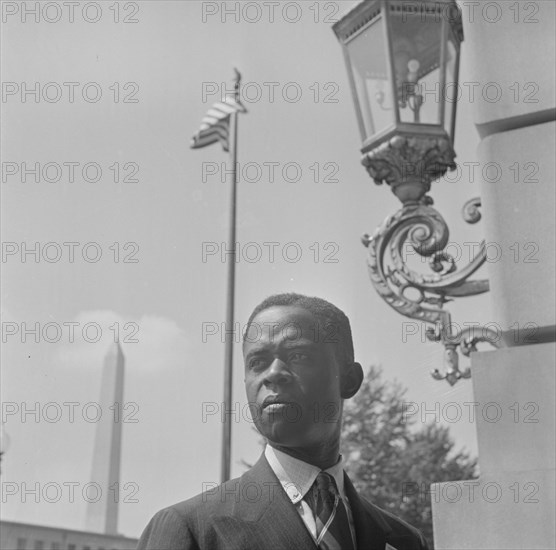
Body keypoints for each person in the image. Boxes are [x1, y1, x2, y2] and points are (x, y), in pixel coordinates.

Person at [136, 293, 429, 550]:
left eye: (298, 355)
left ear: (350, 380)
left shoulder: (404, 540)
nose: (273, 373)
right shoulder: (192, 530)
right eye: (257, 362)